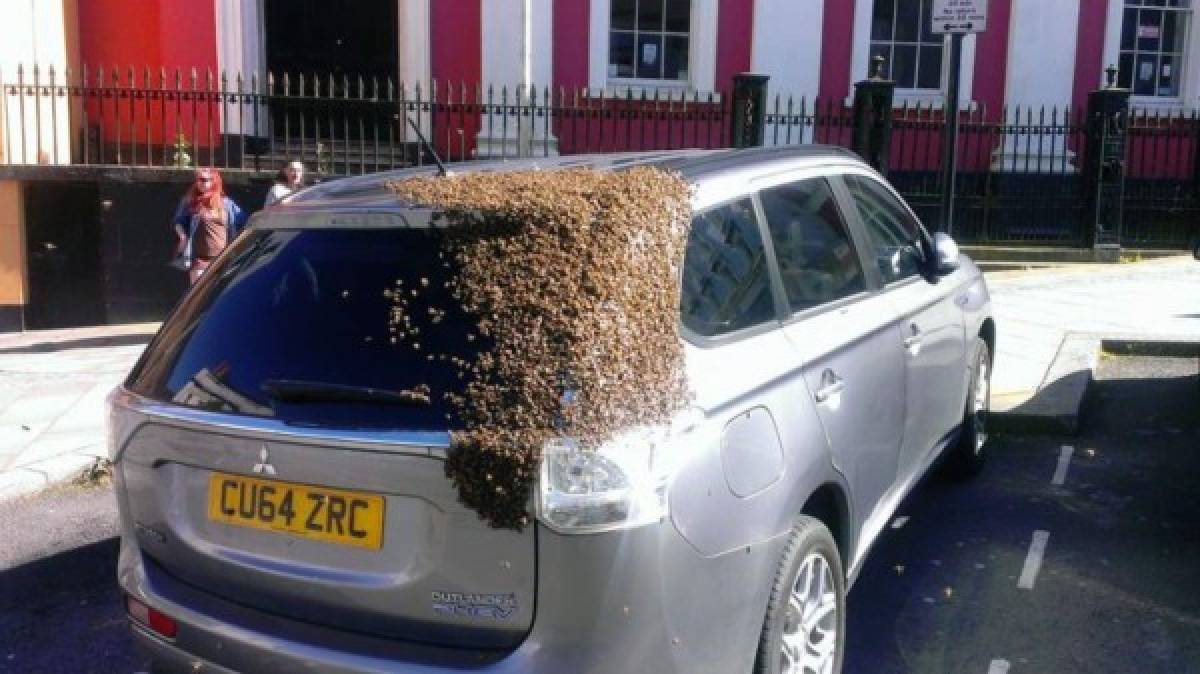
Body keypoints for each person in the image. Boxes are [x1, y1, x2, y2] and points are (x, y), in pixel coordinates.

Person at [171, 168, 247, 286]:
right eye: (198, 180)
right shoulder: (190, 201)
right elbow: (178, 221)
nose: (200, 183)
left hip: (222, 259)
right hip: (199, 259)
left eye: (204, 180)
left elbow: (243, 221)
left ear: (214, 181)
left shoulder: (226, 204)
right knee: (198, 295)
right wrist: (182, 236)